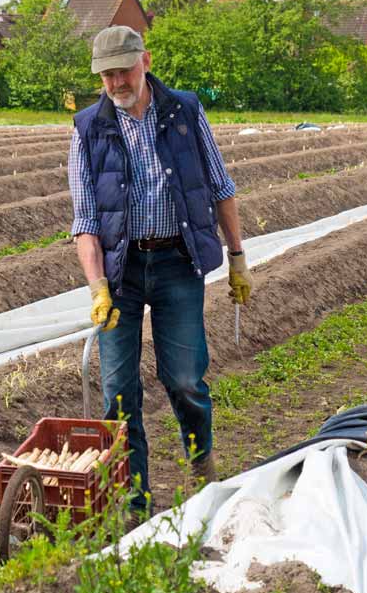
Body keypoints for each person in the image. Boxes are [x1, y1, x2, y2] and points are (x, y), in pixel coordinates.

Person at [68, 25, 252, 516]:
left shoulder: (185, 110)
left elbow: (220, 187)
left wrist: (237, 258)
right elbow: (85, 218)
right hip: (120, 272)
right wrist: (97, 287)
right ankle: (135, 499)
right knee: (118, 391)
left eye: (123, 71)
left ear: (145, 61)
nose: (115, 83)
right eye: (106, 75)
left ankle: (201, 464)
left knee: (185, 377)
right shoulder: (88, 128)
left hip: (177, 261)